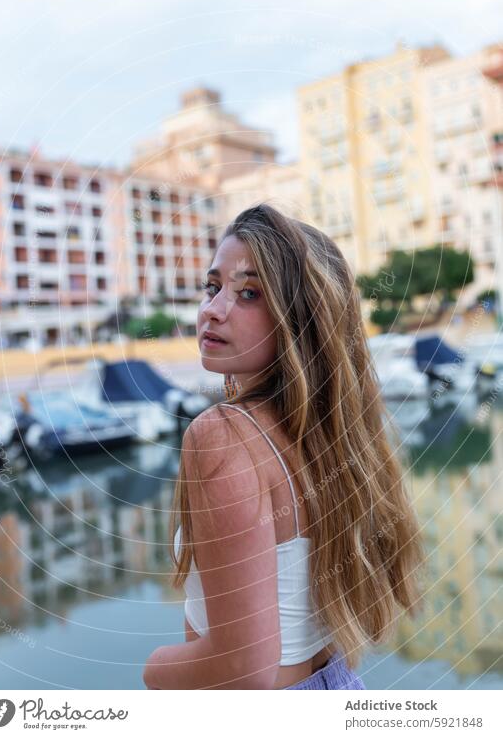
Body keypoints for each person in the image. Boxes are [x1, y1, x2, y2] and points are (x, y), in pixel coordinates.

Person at [143, 203, 425, 690]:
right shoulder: (332, 435)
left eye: (248, 293)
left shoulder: (223, 436)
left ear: (301, 317)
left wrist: (151, 671)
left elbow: (243, 672)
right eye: (213, 288)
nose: (212, 309)